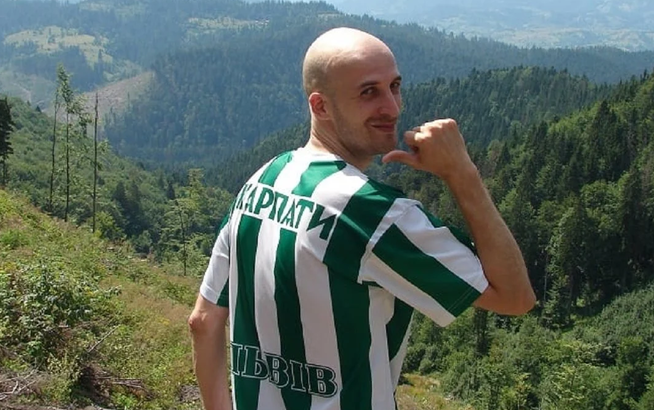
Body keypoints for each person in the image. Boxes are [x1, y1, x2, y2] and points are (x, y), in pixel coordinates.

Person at [188, 27, 536, 410]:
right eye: (369, 92)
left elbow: (203, 322)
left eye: (394, 86)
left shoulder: (260, 183)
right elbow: (515, 297)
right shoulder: (374, 214)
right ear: (321, 106)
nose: (393, 108)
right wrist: (462, 173)